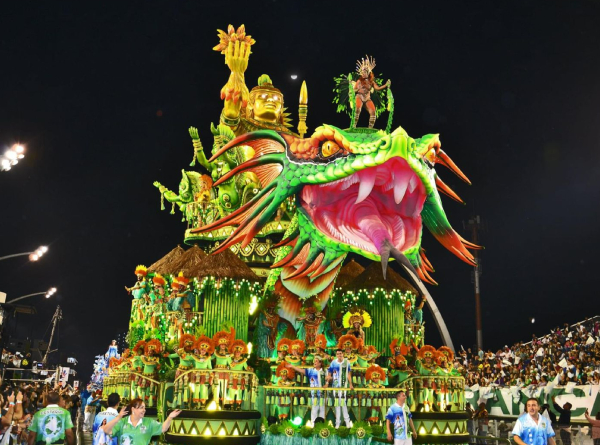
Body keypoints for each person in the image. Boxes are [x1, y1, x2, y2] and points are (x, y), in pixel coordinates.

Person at [101, 399, 181, 445]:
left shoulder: (149, 422)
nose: (144, 410)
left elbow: (163, 428)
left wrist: (170, 417)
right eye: (141, 408)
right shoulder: (122, 422)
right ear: (133, 409)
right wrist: (118, 417)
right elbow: (106, 430)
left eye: (144, 408)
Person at [286, 357, 327, 425]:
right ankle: (313, 425)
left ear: (320, 363)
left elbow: (330, 378)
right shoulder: (311, 371)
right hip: (314, 394)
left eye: (316, 361)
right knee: (314, 410)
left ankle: (321, 425)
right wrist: (292, 366)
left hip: (323, 394)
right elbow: (301, 370)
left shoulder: (325, 371)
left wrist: (327, 383)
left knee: (322, 410)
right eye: (314, 361)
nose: (314, 362)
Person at [325, 349, 354, 428]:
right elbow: (329, 373)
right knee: (337, 403)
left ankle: (347, 422)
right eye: (338, 354)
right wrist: (327, 383)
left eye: (340, 353)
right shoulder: (333, 362)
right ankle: (338, 423)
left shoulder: (346, 362)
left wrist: (351, 384)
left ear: (343, 354)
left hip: (344, 386)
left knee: (343, 403)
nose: (339, 355)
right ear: (336, 355)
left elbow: (348, 374)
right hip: (335, 386)